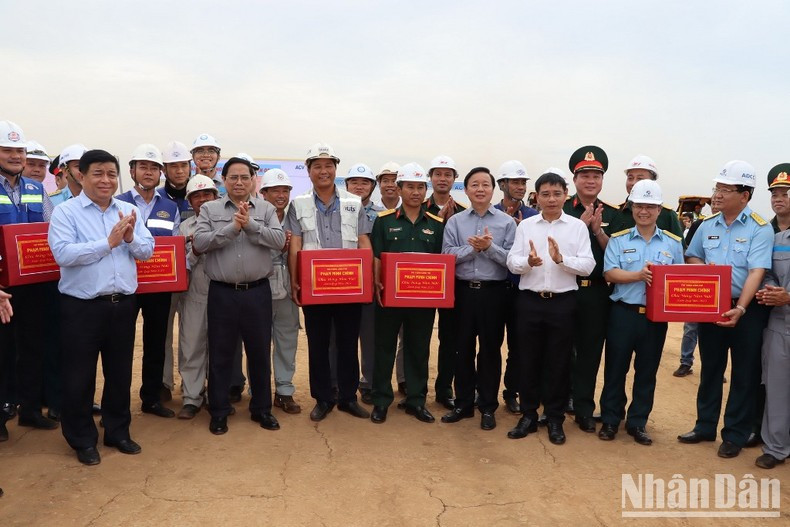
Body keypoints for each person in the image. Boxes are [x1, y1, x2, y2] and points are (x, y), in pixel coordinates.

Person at [48, 148, 155, 466]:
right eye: (98, 172)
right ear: (81, 175)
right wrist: (107, 243)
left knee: (120, 373)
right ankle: (82, 438)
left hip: (122, 305)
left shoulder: (127, 209)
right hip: (81, 307)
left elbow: (147, 250)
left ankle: (117, 431)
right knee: (79, 375)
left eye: (111, 173)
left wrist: (131, 238)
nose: (106, 179)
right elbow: (64, 254)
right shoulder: (66, 212)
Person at [678, 160, 772, 459]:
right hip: (711, 307)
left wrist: (741, 309)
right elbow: (691, 257)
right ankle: (704, 426)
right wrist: (707, 270)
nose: (717, 194)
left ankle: (734, 433)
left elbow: (757, 271)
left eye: (725, 189)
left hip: (748, 310)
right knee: (711, 369)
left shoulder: (759, 228)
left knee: (744, 373)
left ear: (744, 195)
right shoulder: (706, 226)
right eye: (717, 187)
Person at [193, 156, 285, 434]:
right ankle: (219, 411)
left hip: (257, 292)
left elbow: (279, 242)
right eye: (233, 177)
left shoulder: (267, 209)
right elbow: (200, 242)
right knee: (220, 353)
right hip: (222, 293)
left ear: (254, 180)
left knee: (259, 353)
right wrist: (233, 228)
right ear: (224, 181)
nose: (239, 182)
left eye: (245, 177)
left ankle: (262, 409)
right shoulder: (210, 209)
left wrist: (251, 226)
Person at [506, 171, 595, 444]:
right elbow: (512, 261)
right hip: (530, 301)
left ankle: (555, 419)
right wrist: (527, 264)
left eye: (557, 193)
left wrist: (561, 259)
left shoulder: (577, 227)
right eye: (545, 194)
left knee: (559, 362)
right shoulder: (527, 226)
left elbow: (588, 265)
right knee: (528, 359)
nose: (552, 199)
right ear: (537, 197)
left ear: (565, 195)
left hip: (563, 302)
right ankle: (529, 415)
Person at [287, 143, 371, 422]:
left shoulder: (353, 202)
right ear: (309, 171)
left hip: (349, 286)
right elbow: (296, 245)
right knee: (318, 344)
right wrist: (295, 280)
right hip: (314, 288)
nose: (323, 171)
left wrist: (367, 280)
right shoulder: (298, 204)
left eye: (328, 166)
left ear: (335, 169)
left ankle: (348, 397)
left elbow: (363, 241)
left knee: (348, 342)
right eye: (317, 166)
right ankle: (323, 398)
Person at [598, 180, 684, 445]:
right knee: (615, 369)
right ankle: (611, 419)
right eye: (639, 206)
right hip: (623, 314)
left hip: (655, 319)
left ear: (660, 210)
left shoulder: (673, 244)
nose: (643, 211)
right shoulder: (619, 239)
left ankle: (638, 422)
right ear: (632, 208)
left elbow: (679, 279)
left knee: (647, 371)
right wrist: (638, 275)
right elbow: (610, 272)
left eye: (650, 206)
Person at [369, 163, 445, 424]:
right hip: (388, 299)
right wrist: (377, 283)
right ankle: (380, 400)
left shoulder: (436, 225)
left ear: (426, 190)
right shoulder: (384, 221)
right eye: (410, 186)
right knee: (384, 348)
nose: (415, 192)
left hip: (422, 301)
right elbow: (377, 256)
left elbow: (441, 264)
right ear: (399, 189)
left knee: (418, 348)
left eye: (420, 187)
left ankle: (416, 400)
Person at [441, 167, 515, 430]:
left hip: (494, 294)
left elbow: (512, 261)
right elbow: (447, 255)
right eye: (474, 184)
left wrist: (489, 247)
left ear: (493, 189)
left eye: (485, 184)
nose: (480, 189)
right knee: (461, 349)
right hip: (461, 292)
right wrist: (472, 249)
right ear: (467, 189)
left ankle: (487, 406)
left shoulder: (507, 223)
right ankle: (462, 403)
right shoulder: (455, 222)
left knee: (490, 351)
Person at [0, 120, 58, 443]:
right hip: (2, 287)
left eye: (19, 150)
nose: (15, 156)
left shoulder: (37, 190)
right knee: (3, 350)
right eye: (8, 150)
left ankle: (31, 409)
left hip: (35, 283)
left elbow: (52, 227)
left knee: (34, 345)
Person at [116, 144, 180, 419]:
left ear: (160, 173)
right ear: (132, 171)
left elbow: (174, 246)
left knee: (155, 343)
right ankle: (117, 403)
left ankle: (151, 398)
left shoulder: (170, 207)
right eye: (143, 166)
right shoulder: (116, 202)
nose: (149, 172)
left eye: (154, 167)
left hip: (158, 288)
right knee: (119, 345)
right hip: (125, 286)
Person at [562, 147, 619, 432]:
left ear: (602, 180)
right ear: (574, 179)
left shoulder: (615, 214)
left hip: (597, 292)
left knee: (589, 352)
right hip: (565, 288)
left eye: (595, 175)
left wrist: (597, 231)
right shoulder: (561, 209)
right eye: (584, 175)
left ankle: (584, 408)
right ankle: (556, 405)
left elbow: (618, 255)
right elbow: (555, 250)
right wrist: (579, 228)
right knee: (558, 350)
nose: (590, 180)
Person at [493, 160, 538, 413]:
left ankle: (512, 391)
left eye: (523, 182)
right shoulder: (490, 214)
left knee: (519, 345)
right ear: (502, 185)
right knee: (490, 342)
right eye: (516, 182)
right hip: (497, 288)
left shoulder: (533, 216)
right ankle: (484, 390)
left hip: (522, 289)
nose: (520, 186)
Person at [754, 162, 790, 469]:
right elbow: (762, 271)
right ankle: (776, 447)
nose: (779, 198)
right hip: (778, 325)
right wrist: (770, 290)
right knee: (776, 388)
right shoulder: (766, 233)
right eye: (775, 193)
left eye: (786, 192)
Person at [423, 155, 466, 410]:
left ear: (454, 179)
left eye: (447, 174)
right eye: (438, 174)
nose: (442, 178)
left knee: (450, 339)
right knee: (419, 337)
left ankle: (443, 389)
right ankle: (413, 387)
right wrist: (439, 220)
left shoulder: (462, 212)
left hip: (452, 284)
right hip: (422, 283)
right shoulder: (419, 207)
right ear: (431, 178)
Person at [174, 175, 218, 419]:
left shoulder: (226, 223)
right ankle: (192, 397)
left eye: (207, 195)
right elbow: (181, 265)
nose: (202, 200)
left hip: (222, 293)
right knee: (191, 346)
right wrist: (195, 251)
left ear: (215, 197)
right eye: (197, 196)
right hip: (193, 294)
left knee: (220, 347)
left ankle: (216, 395)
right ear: (190, 201)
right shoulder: (184, 228)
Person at [259, 168, 302, 415]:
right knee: (258, 343)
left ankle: (284, 391)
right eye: (275, 190)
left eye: (285, 190)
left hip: (288, 287)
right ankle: (259, 390)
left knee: (287, 341)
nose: (281, 195)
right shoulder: (254, 216)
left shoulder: (295, 218)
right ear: (264, 193)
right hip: (261, 286)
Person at [160, 140, 195, 403]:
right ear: (165, 169)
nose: (179, 170)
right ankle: (163, 383)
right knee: (163, 331)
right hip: (165, 276)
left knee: (193, 333)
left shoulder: (202, 194)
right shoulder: (157, 199)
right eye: (173, 166)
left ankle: (192, 385)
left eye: (183, 165)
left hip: (196, 274)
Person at [610, 155, 684, 238]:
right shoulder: (616, 213)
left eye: (640, 179)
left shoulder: (668, 215)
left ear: (652, 182)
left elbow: (679, 248)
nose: (633, 183)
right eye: (630, 178)